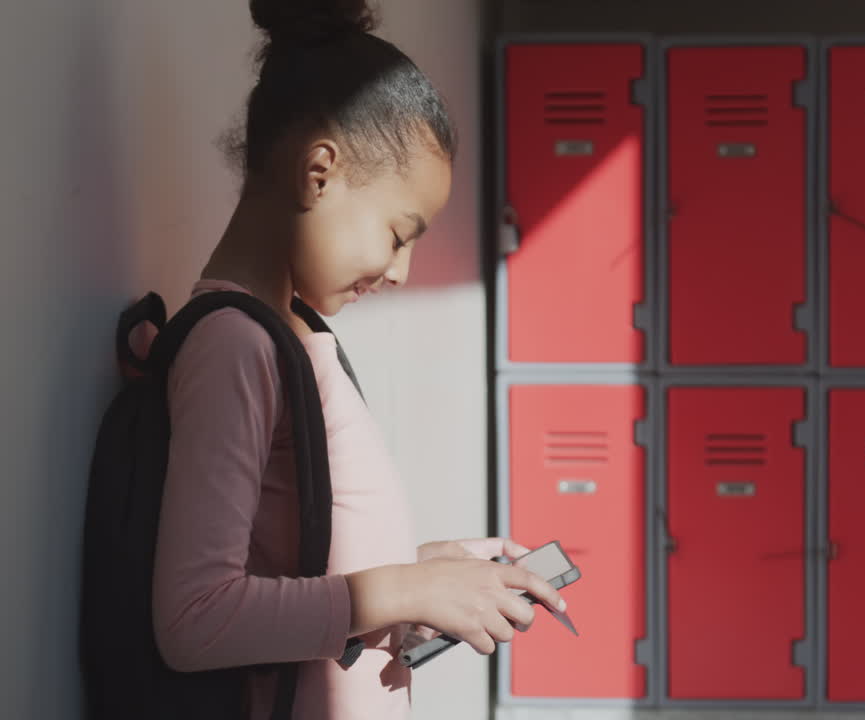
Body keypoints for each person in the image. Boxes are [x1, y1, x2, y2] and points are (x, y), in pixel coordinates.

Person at [148, 1, 564, 717]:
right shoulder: (233, 344)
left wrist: (420, 575)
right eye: (399, 233)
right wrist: (403, 589)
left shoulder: (293, 334)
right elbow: (194, 618)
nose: (400, 271)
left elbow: (294, 564)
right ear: (319, 172)